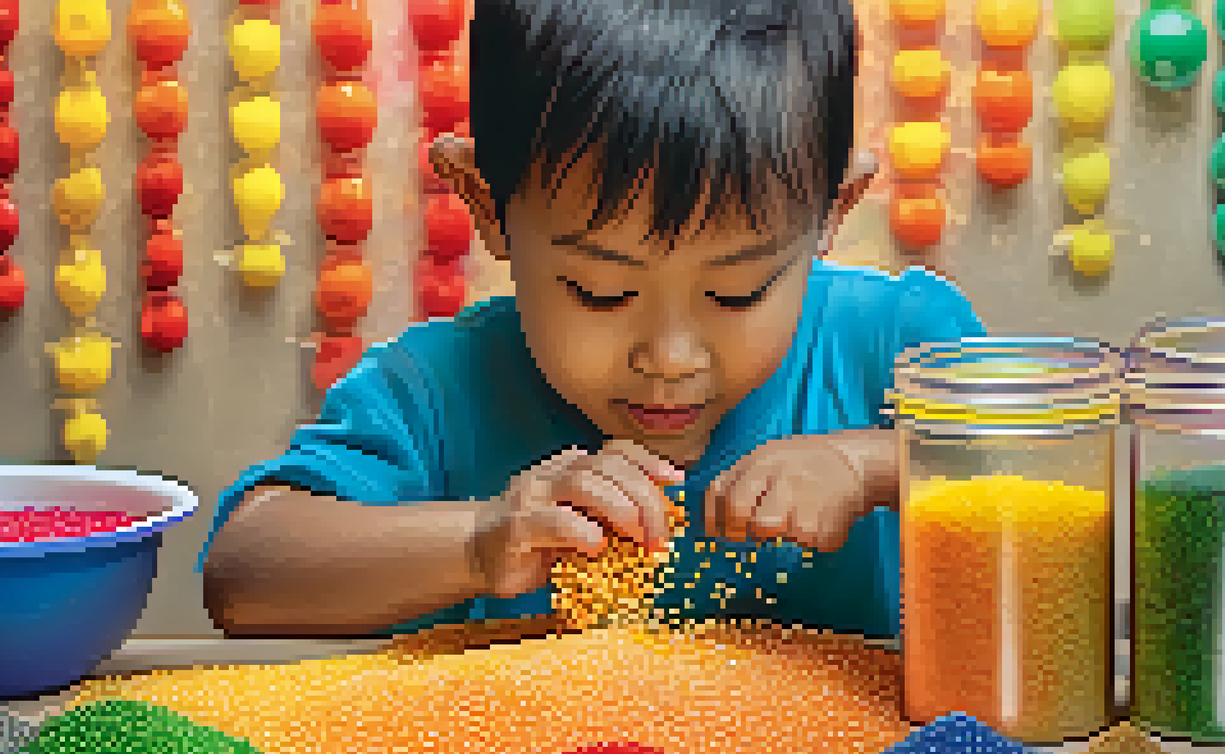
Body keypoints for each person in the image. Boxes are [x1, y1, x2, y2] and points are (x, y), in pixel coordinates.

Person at [200, 0, 986, 640]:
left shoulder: (896, 348)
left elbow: (1062, 481)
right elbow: (243, 575)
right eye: (601, 293)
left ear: (831, 212)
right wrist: (480, 542)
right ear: (486, 206)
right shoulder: (437, 390)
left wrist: (873, 465)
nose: (671, 357)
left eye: (737, 293)